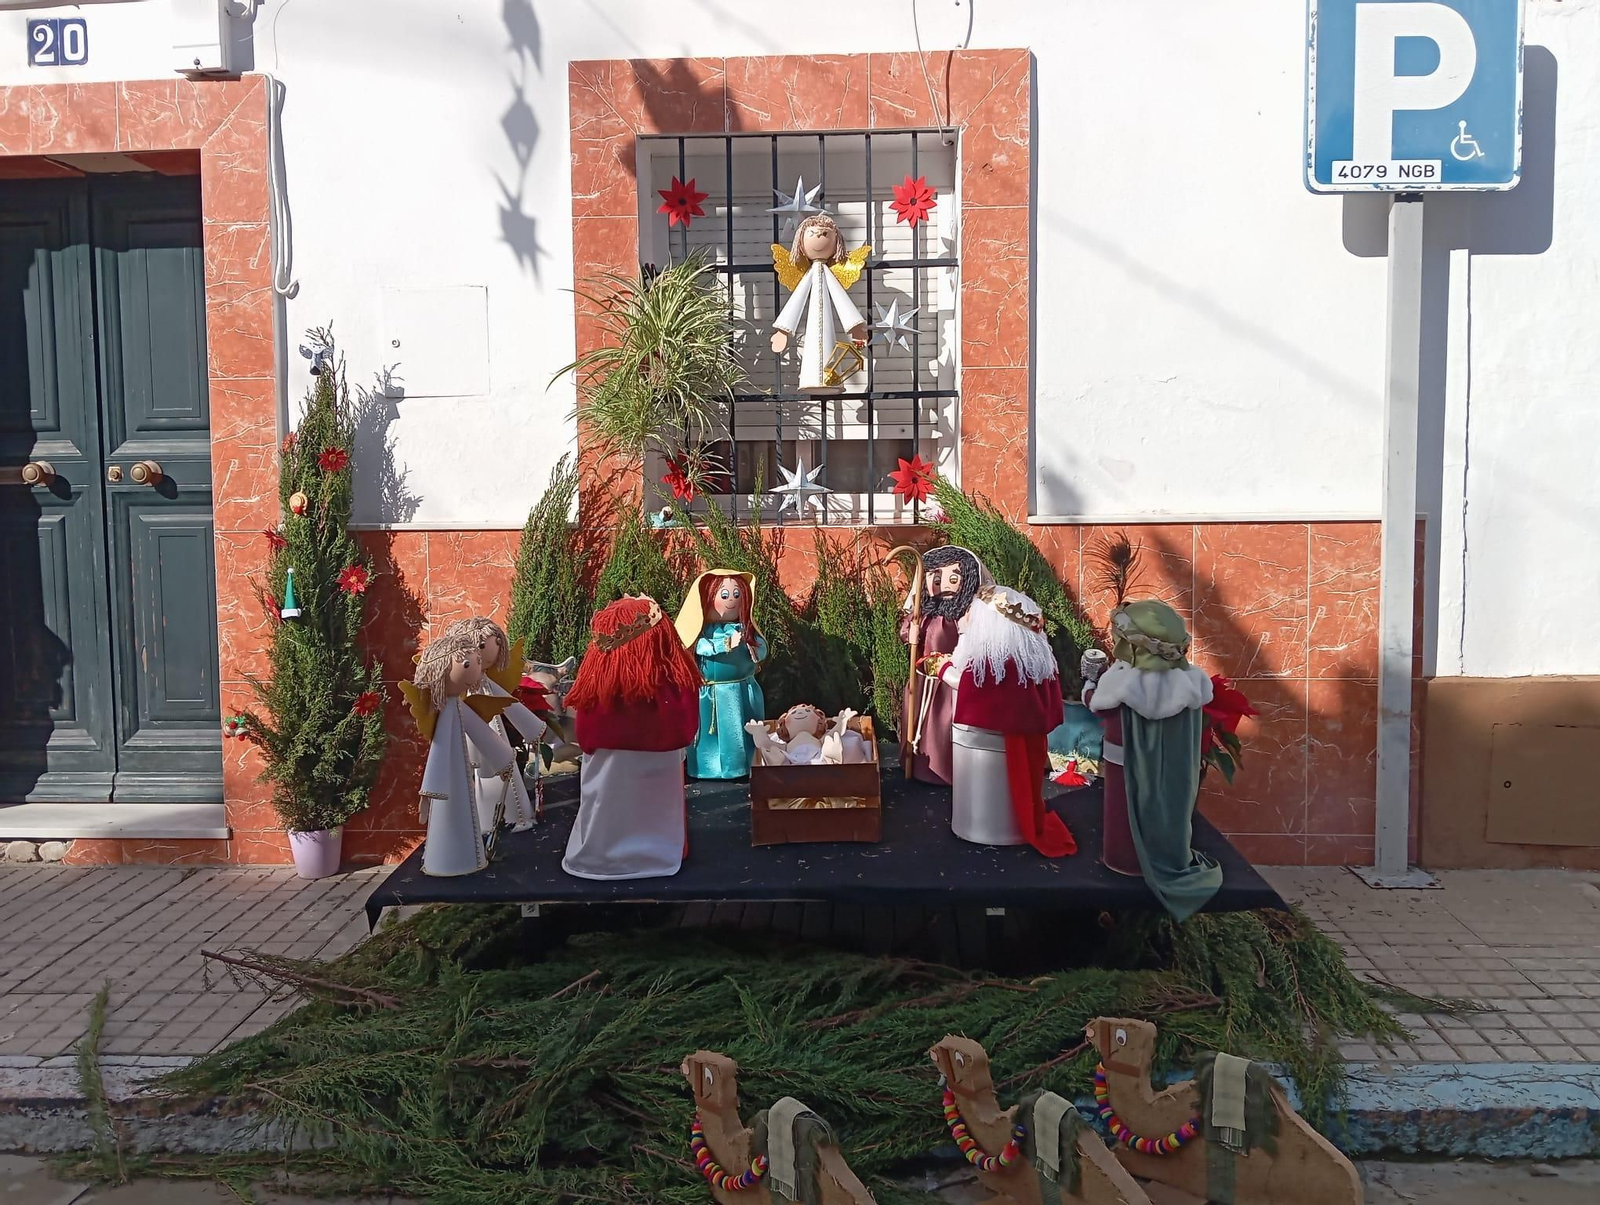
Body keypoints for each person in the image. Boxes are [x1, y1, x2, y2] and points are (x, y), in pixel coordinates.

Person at [1084, 600, 1222, 920]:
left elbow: (1100, 706)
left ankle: (1126, 861)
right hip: (1175, 767)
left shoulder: (1124, 683)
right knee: (1169, 809)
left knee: (1125, 823)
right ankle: (1165, 852)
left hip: (1125, 770)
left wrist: (1090, 682)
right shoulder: (1191, 682)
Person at [561, 596, 702, 881]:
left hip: (602, 824)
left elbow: (584, 737)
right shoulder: (671, 695)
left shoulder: (597, 694)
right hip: (660, 838)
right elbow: (685, 730)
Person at [930, 585, 1074, 856]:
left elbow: (972, 686)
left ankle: (993, 827)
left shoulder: (1000, 665)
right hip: (1019, 738)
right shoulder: (1028, 661)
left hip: (990, 744)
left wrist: (943, 669)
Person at [407, 626, 515, 878]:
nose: (476, 669)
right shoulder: (447, 713)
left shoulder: (457, 707)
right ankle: (451, 860)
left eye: (476, 662)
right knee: (451, 816)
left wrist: (503, 758)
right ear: (440, 671)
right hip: (448, 785)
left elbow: (482, 733)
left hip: (459, 777)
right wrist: (429, 792)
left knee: (464, 811)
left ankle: (465, 857)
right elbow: (438, 753)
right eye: (468, 665)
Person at [900, 546, 991, 784]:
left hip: (952, 683)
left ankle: (948, 771)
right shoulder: (923, 614)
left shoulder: (966, 615)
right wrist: (911, 634)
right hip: (924, 681)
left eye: (953, 578)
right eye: (936, 579)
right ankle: (920, 767)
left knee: (945, 728)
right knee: (920, 725)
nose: (944, 586)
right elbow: (907, 632)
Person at [675, 570, 767, 779]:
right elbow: (698, 646)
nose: (731, 600)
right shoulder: (702, 632)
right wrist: (724, 644)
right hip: (710, 694)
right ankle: (707, 768)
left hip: (742, 690)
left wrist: (753, 648)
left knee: (742, 731)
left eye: (737, 595)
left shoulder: (744, 628)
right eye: (724, 595)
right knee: (711, 736)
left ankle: (743, 767)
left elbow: (761, 648)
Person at [770, 212, 869, 394]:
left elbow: (841, 300)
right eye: (812, 234)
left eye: (824, 234)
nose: (818, 238)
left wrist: (855, 327)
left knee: (828, 349)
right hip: (811, 329)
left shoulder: (827, 274)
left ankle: (830, 380)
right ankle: (811, 379)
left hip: (828, 330)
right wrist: (783, 330)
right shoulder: (810, 275)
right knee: (813, 351)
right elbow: (796, 301)